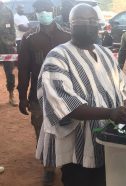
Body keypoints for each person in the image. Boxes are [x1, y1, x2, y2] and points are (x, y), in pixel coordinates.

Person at [36, 3, 126, 186]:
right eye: (82, 20)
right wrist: (110, 113)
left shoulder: (105, 53)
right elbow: (67, 106)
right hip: (76, 148)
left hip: (107, 141)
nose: (90, 25)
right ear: (70, 25)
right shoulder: (57, 57)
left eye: (93, 21)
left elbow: (125, 89)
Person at [17, 0, 71, 185]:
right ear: (35, 13)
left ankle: (67, 165)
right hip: (38, 94)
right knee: (41, 128)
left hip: (65, 93)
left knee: (66, 127)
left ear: (53, 10)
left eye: (46, 9)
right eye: (39, 10)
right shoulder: (29, 37)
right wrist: (22, 96)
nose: (43, 13)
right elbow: (23, 69)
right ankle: (48, 167)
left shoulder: (67, 34)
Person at [0, 0, 17, 106]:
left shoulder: (7, 10)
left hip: (6, 45)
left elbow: (12, 27)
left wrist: (12, 40)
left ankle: (11, 95)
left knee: (9, 70)